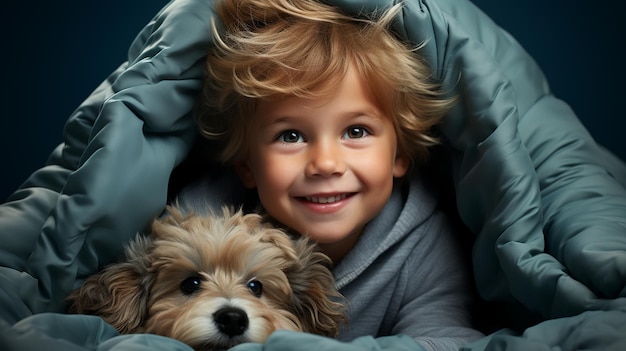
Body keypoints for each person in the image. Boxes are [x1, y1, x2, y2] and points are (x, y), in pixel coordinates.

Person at [180, 0, 486, 350]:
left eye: (356, 132)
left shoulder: (423, 245)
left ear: (399, 154)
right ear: (247, 165)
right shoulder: (200, 219)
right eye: (290, 136)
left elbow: (449, 340)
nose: (326, 163)